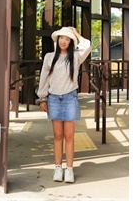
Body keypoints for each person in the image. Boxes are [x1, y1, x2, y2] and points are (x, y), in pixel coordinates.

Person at [37, 26, 91, 184]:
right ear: (57, 39)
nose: (63, 41)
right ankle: (58, 168)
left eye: (67, 39)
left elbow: (87, 44)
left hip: (69, 99)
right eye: (62, 37)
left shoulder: (75, 57)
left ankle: (69, 169)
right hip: (53, 99)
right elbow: (43, 78)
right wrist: (42, 98)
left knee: (69, 136)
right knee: (57, 136)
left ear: (71, 42)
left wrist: (75, 33)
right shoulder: (49, 57)